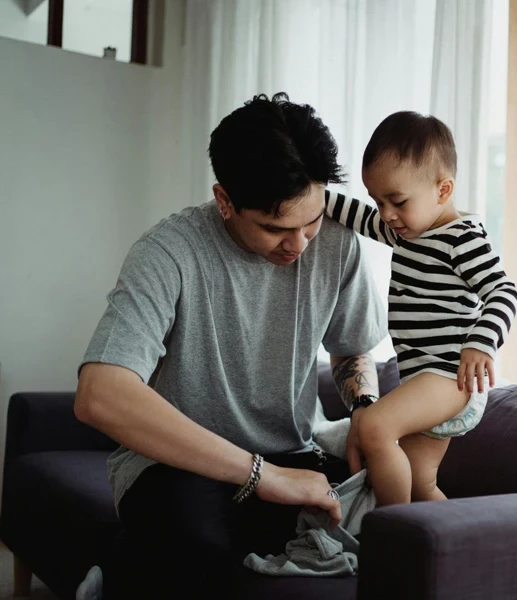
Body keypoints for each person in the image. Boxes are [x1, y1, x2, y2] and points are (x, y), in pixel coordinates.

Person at [74, 93, 387, 599]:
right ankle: (124, 561)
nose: (300, 246)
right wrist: (262, 476)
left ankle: (131, 558)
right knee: (196, 544)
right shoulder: (168, 253)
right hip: (174, 467)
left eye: (310, 222)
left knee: (376, 513)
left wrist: (366, 410)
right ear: (225, 201)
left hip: (292, 452)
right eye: (275, 228)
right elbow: (99, 394)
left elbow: (352, 351)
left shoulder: (337, 241)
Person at [324, 111, 517, 506]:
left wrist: (481, 343)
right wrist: (316, 196)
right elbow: (359, 218)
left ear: (443, 190)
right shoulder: (408, 230)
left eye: (396, 200)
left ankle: (389, 534)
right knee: (419, 484)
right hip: (421, 381)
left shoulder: (460, 238)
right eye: (379, 201)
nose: (386, 214)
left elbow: (504, 291)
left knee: (375, 426)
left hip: (449, 376)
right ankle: (454, 551)